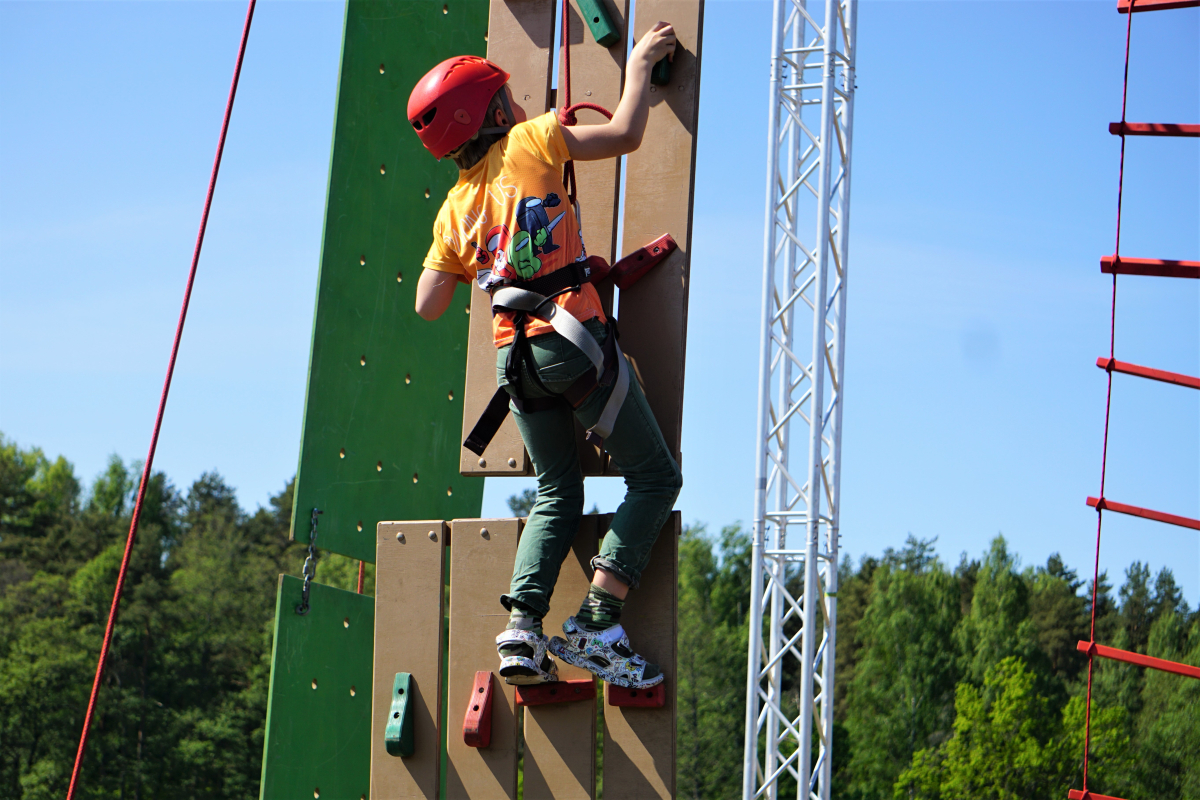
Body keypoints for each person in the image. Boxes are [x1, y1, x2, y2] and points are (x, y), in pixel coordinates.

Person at [408, 22, 681, 690]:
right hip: (569, 344)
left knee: (559, 489)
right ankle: (595, 619)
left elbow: (428, 303)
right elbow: (624, 135)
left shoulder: (455, 206)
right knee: (654, 478)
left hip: (517, 362)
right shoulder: (534, 140)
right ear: (497, 112)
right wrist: (640, 63)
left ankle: (523, 630)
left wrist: (480, 252)